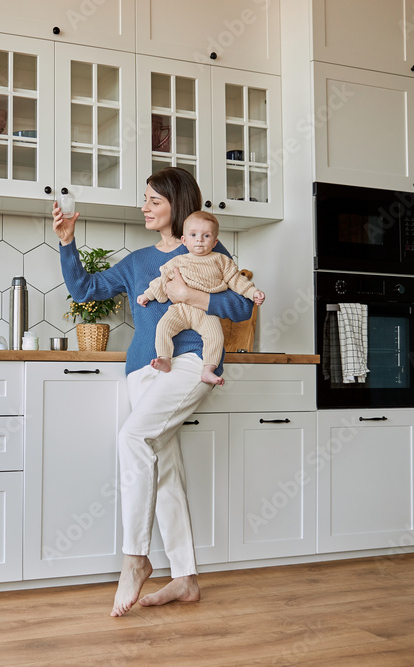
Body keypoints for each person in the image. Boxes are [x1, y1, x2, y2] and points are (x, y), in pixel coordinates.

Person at [52, 167, 253, 617]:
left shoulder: (204, 245)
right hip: (143, 369)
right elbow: (84, 289)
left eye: (154, 200)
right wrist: (67, 242)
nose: (144, 207)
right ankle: (185, 578)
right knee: (163, 467)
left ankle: (135, 557)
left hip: (191, 360)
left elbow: (240, 305)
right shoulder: (138, 261)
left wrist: (190, 294)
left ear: (177, 205)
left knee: (133, 438)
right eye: (144, 199)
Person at [137, 210, 265, 382]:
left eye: (206, 236)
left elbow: (237, 280)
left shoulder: (221, 260)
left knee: (215, 337)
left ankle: (208, 369)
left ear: (215, 242)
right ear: (184, 240)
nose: (199, 239)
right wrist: (147, 295)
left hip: (206, 311)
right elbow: (161, 280)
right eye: (193, 235)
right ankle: (165, 359)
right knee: (163, 327)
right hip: (180, 309)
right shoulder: (177, 261)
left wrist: (253, 292)